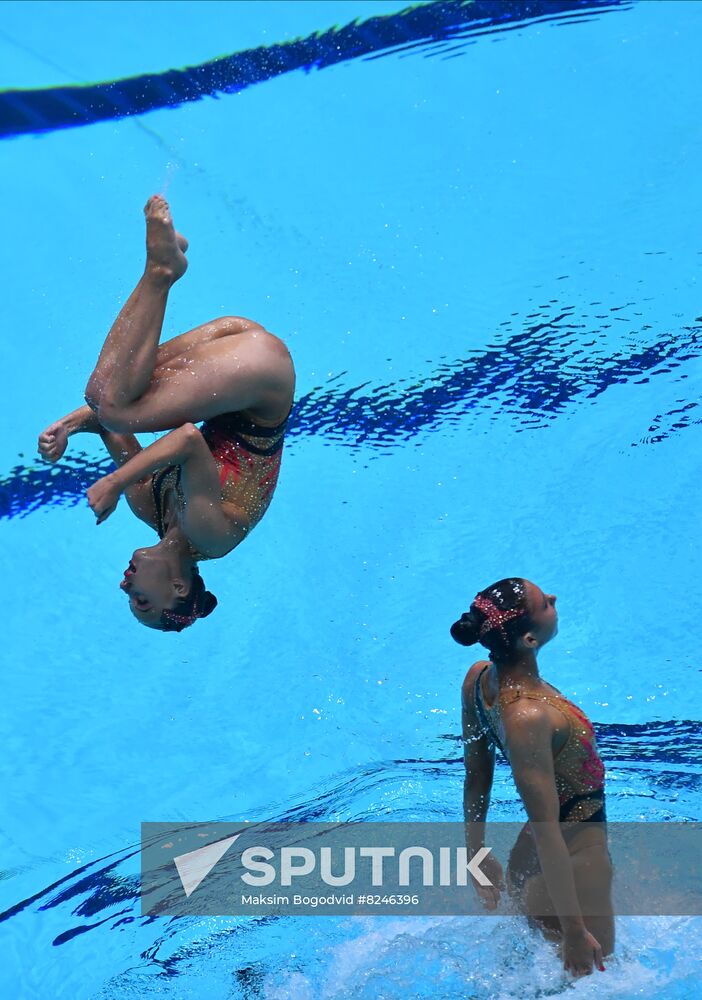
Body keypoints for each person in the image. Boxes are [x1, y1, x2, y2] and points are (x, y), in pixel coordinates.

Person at [38, 195, 295, 631]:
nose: (125, 585)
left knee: (102, 396)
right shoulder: (211, 537)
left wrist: (67, 427)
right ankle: (162, 271)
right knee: (117, 405)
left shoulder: (149, 506)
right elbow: (187, 441)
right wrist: (115, 482)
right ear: (178, 588)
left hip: (235, 346)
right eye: (139, 600)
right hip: (263, 382)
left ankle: (165, 263)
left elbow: (101, 419)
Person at [454, 577, 613, 977]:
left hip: (534, 862)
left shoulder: (478, 679)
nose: (554, 599)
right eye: (545, 604)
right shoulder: (528, 715)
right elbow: (547, 829)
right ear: (528, 638)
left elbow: (476, 777)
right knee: (598, 979)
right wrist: (576, 931)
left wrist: (476, 855)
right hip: (573, 863)